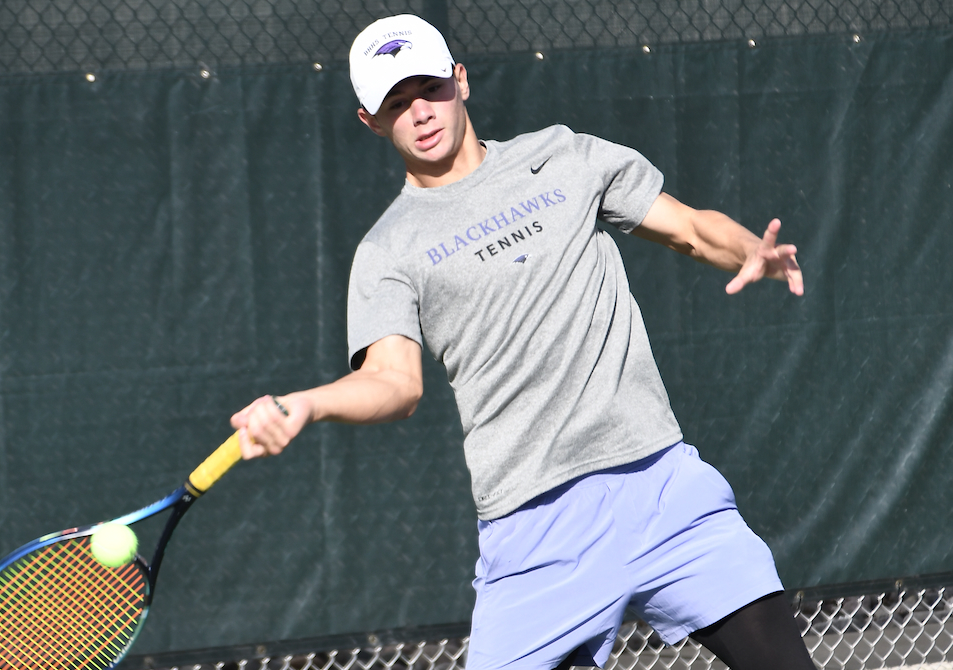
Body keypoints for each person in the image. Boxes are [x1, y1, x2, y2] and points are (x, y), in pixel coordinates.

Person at [231, 14, 815, 670]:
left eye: (429, 87)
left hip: (662, 490)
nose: (419, 111)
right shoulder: (386, 249)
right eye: (397, 102)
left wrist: (748, 250)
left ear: (461, 79)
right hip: (535, 533)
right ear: (370, 120)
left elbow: (689, 228)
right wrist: (308, 404)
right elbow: (394, 382)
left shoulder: (565, 156)